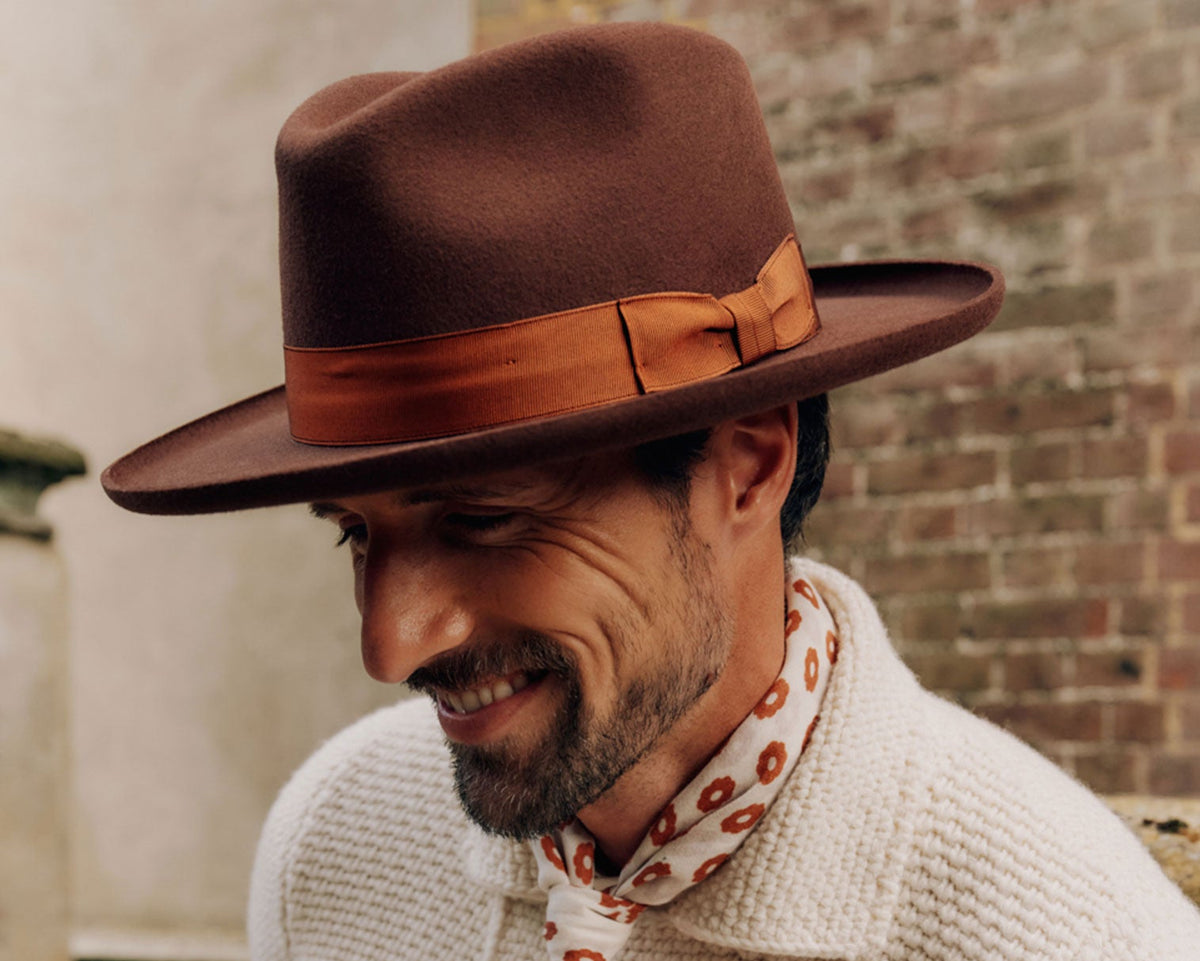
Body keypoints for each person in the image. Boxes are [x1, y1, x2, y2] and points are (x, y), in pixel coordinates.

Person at [102, 21, 1200, 961]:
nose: (388, 645)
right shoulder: (332, 849)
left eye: (484, 518)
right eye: (353, 533)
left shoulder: (1069, 931)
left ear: (750, 462)